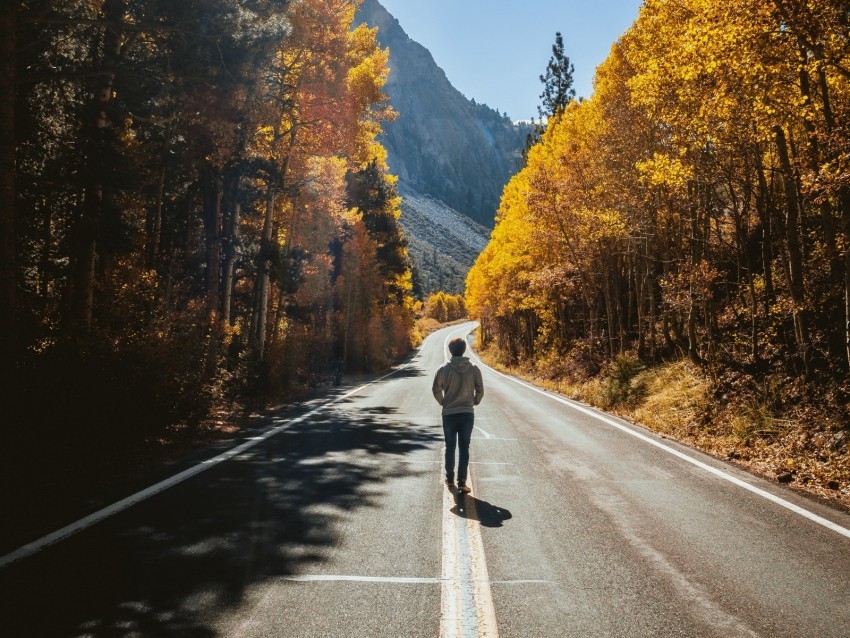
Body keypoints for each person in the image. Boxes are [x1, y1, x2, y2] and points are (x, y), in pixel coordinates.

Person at [432, 337, 484, 493]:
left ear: (450, 351)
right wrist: (474, 401)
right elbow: (480, 389)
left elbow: (436, 389)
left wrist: (443, 402)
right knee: (464, 447)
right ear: (464, 349)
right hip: (467, 413)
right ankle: (462, 481)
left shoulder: (442, 369)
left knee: (450, 446)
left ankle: (449, 478)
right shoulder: (474, 369)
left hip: (449, 413)